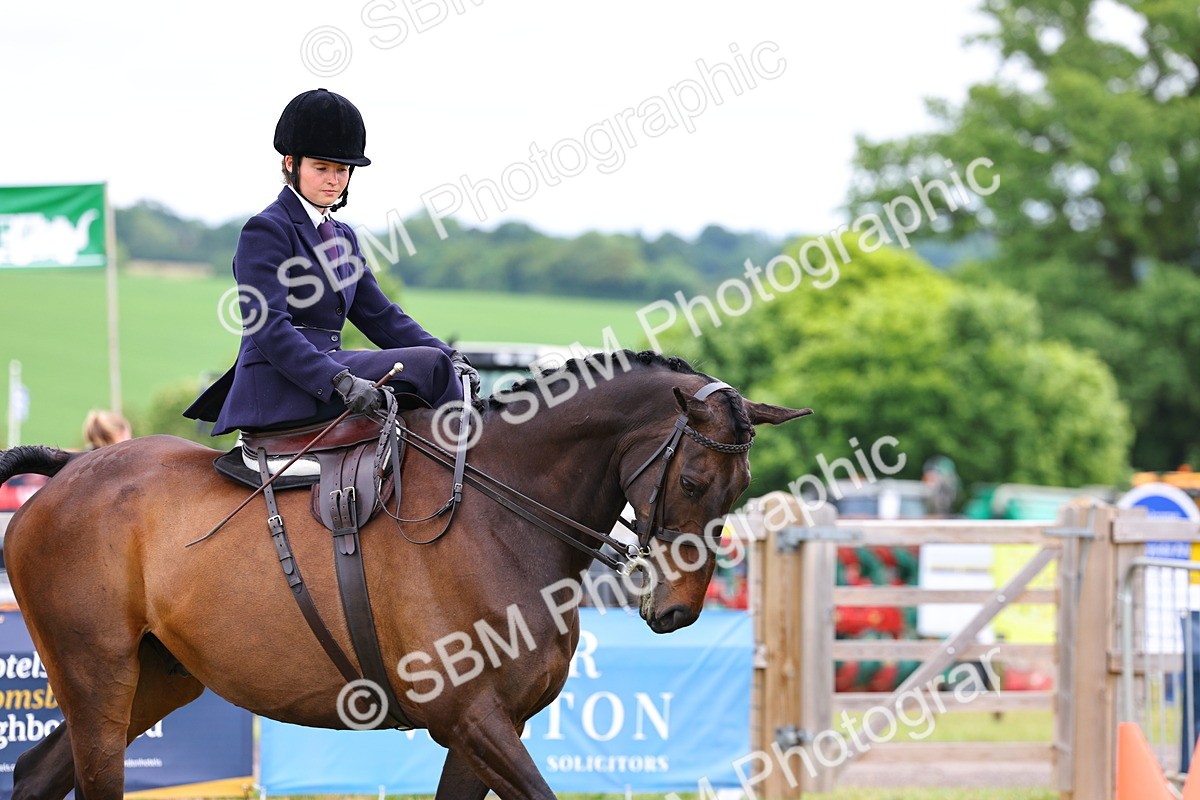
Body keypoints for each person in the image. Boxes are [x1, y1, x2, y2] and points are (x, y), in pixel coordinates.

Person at [184, 88, 478, 435]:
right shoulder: (266, 229)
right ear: (291, 164)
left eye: (342, 169)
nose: (333, 179)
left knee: (439, 364)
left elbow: (380, 316)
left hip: (331, 369)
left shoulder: (342, 236)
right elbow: (268, 326)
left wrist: (451, 355)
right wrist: (338, 379)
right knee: (430, 367)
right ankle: (465, 457)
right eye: (321, 168)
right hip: (282, 381)